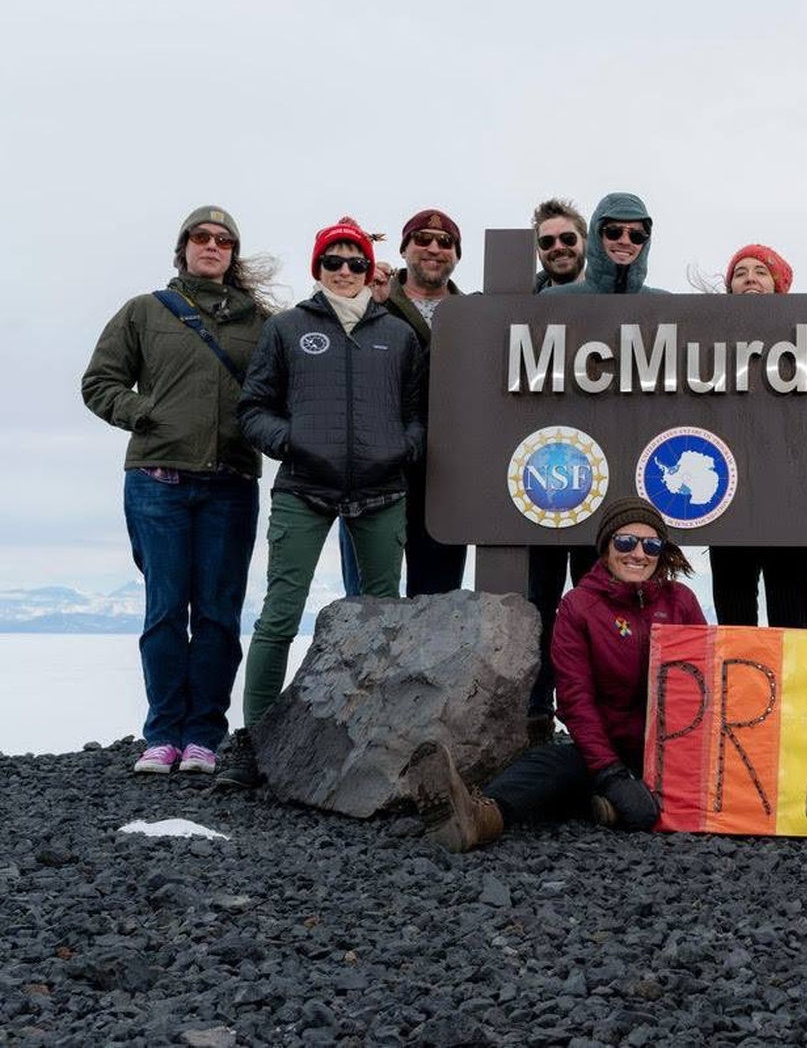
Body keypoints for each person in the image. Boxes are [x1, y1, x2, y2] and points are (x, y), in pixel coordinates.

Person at [218, 217, 426, 789]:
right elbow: (254, 407)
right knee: (279, 616)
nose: (344, 271)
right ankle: (254, 742)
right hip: (304, 489)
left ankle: (379, 744)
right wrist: (292, 443)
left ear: (368, 269)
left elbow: (416, 412)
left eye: (355, 262)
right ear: (318, 268)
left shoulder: (398, 335)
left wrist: (403, 448)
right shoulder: (287, 329)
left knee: (384, 620)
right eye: (333, 261)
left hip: (382, 490)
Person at [81, 206, 275, 775]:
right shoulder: (144, 311)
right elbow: (99, 382)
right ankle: (162, 734)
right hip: (157, 482)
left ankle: (203, 738)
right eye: (200, 237)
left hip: (232, 482)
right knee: (166, 611)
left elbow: (286, 384)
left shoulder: (259, 323)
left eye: (222, 239)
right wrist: (144, 413)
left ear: (233, 254)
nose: (211, 245)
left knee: (218, 613)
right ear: (183, 247)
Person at [404, 497, 706, 851]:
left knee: (651, 801)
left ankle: (610, 806)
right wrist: (610, 770)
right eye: (625, 542)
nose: (638, 553)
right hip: (603, 747)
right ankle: (481, 817)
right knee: (549, 764)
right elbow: (576, 699)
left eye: (651, 544)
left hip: (670, 752)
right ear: (606, 548)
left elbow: (704, 678)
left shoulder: (681, 601)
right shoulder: (579, 606)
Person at [708, 244, 807, 629]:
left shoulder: (806, 340)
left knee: (792, 620)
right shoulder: (709, 341)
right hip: (728, 504)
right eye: (740, 272)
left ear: (778, 283)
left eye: (760, 271)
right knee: (735, 623)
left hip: (788, 503)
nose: (750, 278)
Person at [525, 196, 598, 742]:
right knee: (538, 607)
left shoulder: (617, 303)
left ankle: (592, 725)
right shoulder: (516, 305)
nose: (557, 248)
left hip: (600, 482)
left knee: (593, 606)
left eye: (566, 239)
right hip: (538, 481)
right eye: (547, 241)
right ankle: (533, 720)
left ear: (584, 243)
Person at [382, 208, 467, 596]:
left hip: (449, 474)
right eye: (422, 239)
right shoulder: (372, 303)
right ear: (404, 249)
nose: (434, 248)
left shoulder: (476, 315)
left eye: (445, 242)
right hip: (380, 469)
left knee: (438, 600)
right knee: (370, 596)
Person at [541, 192, 668, 295]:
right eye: (614, 232)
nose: (625, 241)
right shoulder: (554, 300)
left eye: (636, 235)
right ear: (597, 236)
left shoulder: (665, 303)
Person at [531, 196, 588, 292]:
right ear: (538, 251)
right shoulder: (519, 304)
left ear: (586, 242)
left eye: (568, 238)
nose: (558, 247)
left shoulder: (615, 298)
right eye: (546, 241)